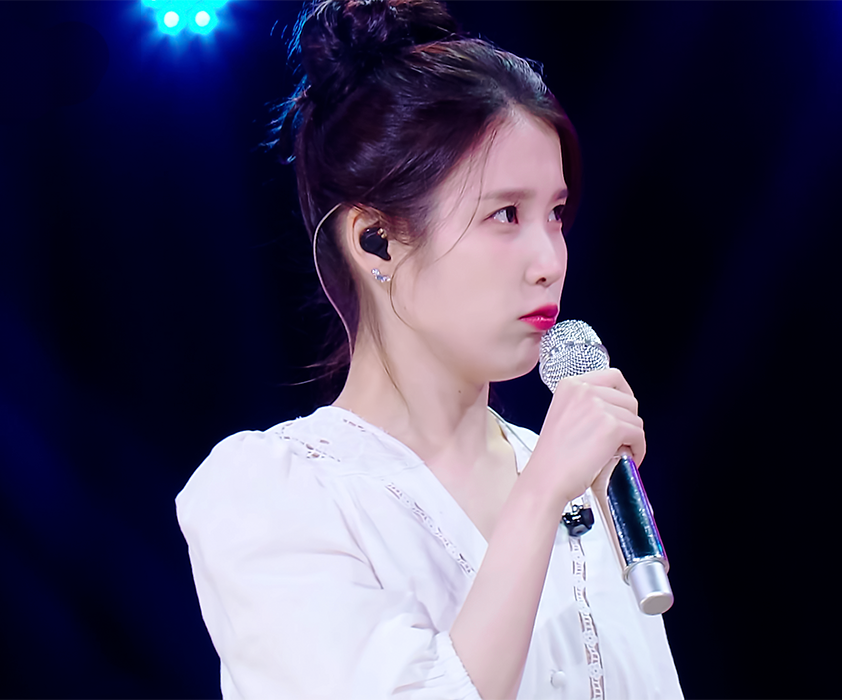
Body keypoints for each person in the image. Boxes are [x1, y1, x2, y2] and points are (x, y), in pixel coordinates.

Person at [176, 1, 684, 698]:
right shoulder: (271, 495)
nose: (549, 261)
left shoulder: (580, 473)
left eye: (556, 214)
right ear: (377, 241)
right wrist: (538, 497)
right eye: (505, 214)